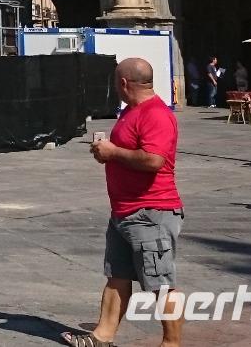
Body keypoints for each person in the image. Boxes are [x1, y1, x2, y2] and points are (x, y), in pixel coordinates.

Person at [63, 58, 182, 347]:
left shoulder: (155, 114)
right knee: (117, 277)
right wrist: (107, 152)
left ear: (124, 83)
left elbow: (154, 160)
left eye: (116, 82)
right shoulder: (131, 111)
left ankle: (171, 343)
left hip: (151, 212)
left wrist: (113, 152)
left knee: (161, 283)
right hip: (124, 212)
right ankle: (101, 337)